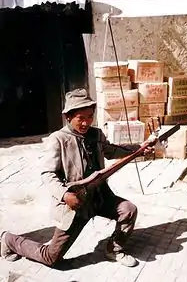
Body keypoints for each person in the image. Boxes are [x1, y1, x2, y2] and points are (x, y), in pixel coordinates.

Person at [0, 88, 154, 268]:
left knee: (128, 210)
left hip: (100, 197)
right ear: (68, 117)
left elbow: (112, 150)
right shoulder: (58, 139)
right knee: (51, 257)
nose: (86, 122)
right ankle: (9, 240)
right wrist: (65, 195)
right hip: (76, 203)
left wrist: (140, 149)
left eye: (90, 116)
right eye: (81, 118)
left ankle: (114, 248)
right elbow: (47, 174)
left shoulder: (96, 135)